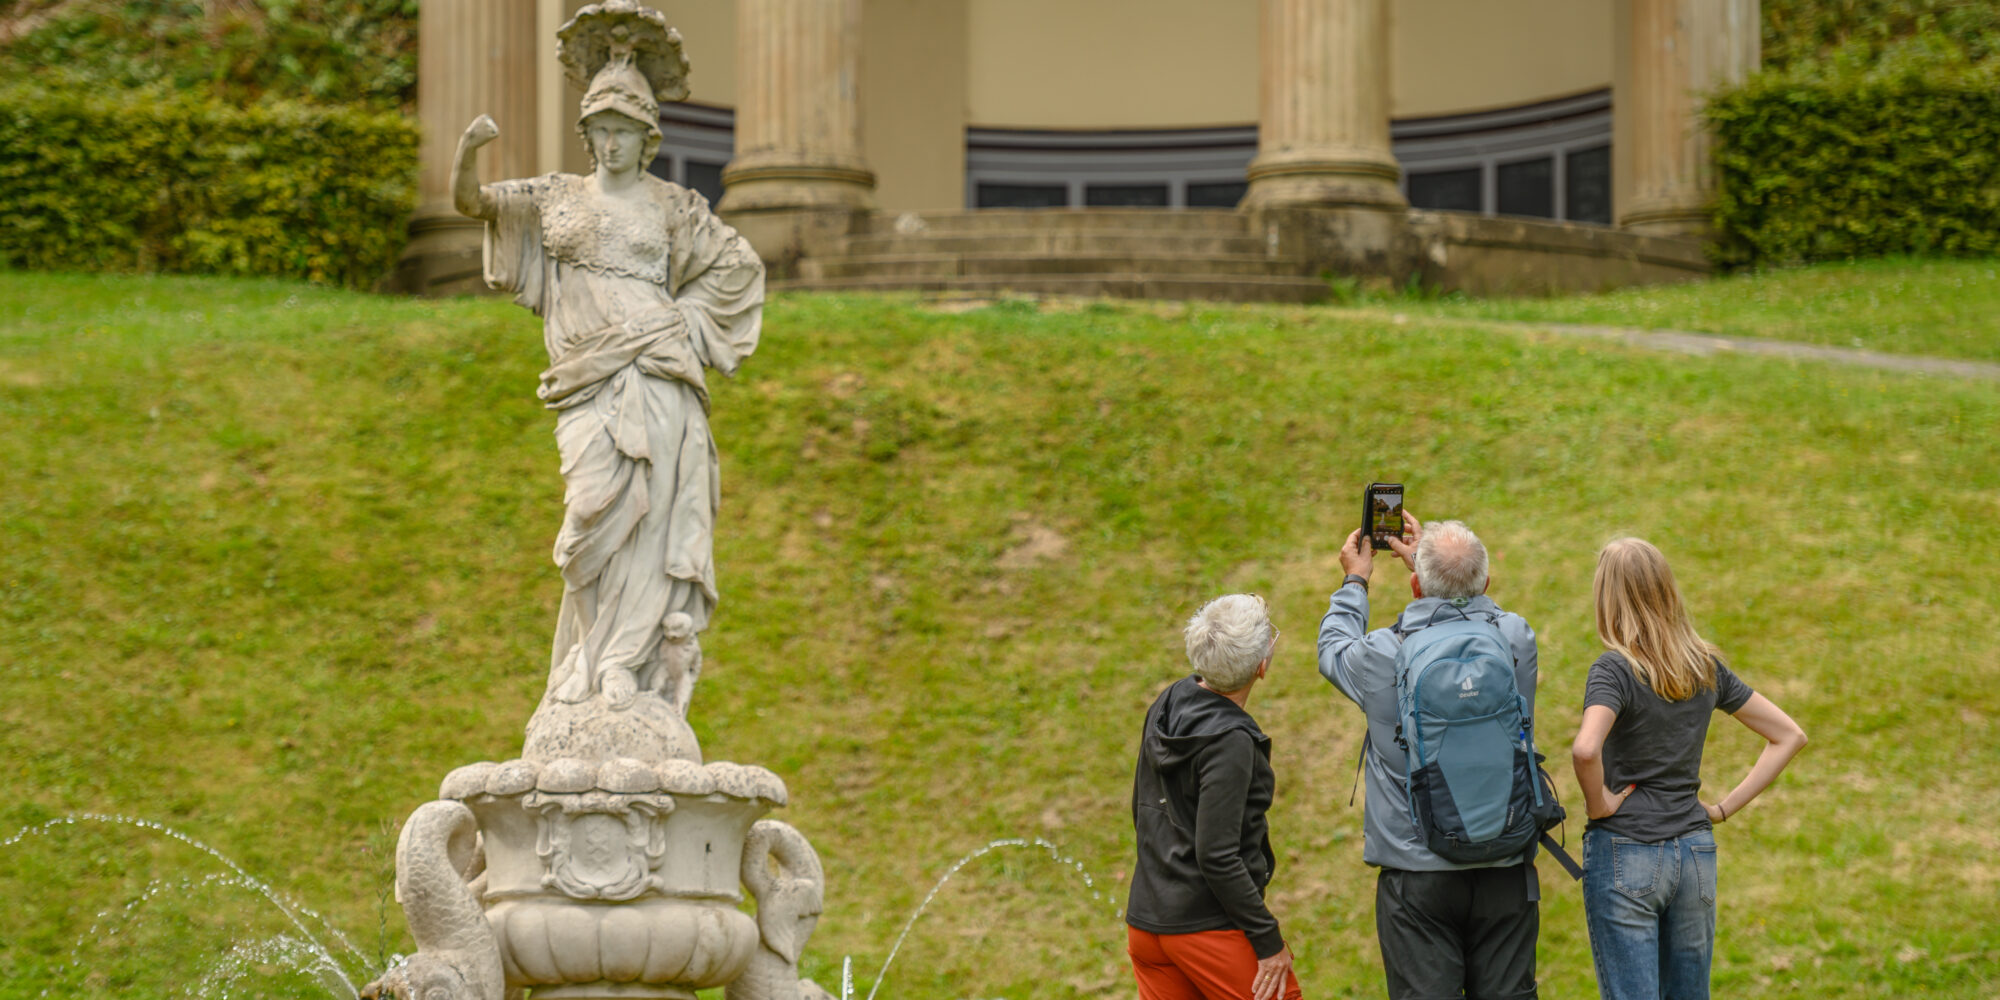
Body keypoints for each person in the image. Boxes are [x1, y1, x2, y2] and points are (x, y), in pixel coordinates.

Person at [450, 7, 764, 708]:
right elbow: (473, 204)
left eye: (625, 131)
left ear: (647, 139)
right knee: (590, 519)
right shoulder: (553, 195)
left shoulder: (674, 206)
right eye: (601, 130)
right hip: (584, 382)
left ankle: (625, 662)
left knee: (650, 527)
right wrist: (468, 153)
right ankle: (591, 657)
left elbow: (738, 267)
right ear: (587, 136)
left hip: (657, 377)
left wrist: (681, 319)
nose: (612, 142)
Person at [1318, 513, 1543, 1000]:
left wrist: (1355, 579)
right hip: (1506, 862)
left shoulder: (1383, 652)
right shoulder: (1515, 639)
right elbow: (1489, 610)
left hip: (1415, 872)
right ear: (1486, 580)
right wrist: (1436, 571)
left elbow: (1331, 646)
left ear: (1416, 584)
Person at [1570, 538, 1807, 1000]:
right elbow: (1789, 736)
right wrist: (1720, 810)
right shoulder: (1704, 667)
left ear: (1608, 599)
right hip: (1695, 854)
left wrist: (1599, 805)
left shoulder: (1614, 670)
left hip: (1627, 851)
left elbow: (1584, 750)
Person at [1127, 594, 1303, 1000]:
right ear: (1261, 667)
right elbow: (1217, 855)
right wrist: (1267, 941)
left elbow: (1144, 810)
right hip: (1205, 928)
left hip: (1147, 923)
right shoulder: (1230, 742)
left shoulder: (1167, 702)